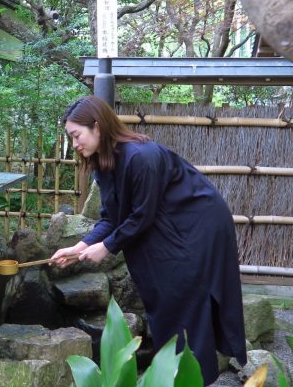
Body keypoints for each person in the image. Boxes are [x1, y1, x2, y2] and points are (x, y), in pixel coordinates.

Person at [51, 95, 247, 383]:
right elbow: (111, 217)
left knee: (184, 301)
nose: (75, 144)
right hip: (166, 225)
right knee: (165, 300)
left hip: (197, 226)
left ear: (97, 126)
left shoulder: (141, 157)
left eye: (76, 135)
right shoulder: (105, 164)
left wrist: (105, 248)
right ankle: (173, 375)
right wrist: (79, 246)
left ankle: (192, 377)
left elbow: (141, 216)